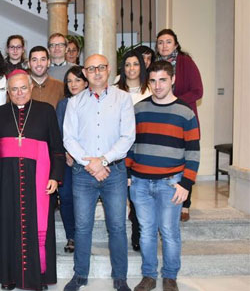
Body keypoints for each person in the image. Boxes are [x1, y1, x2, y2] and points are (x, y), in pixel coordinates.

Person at [0, 69, 64, 291]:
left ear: (31, 88)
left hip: (37, 181)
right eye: (14, 89)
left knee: (36, 226)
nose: (19, 93)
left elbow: (57, 149)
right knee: (7, 226)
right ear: (7, 92)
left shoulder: (46, 111)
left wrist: (55, 178)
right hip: (4, 181)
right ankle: (8, 276)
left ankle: (38, 276)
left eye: (23, 88)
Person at [62, 54, 135, 291]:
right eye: (91, 68)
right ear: (84, 72)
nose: (96, 72)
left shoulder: (123, 99)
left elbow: (128, 136)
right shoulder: (75, 102)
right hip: (83, 174)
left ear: (109, 70)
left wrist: (103, 160)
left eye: (101, 67)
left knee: (117, 226)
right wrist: (91, 164)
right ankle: (80, 275)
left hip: (114, 172)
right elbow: (69, 139)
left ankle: (120, 277)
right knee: (82, 227)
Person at [127, 61, 200, 291]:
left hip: (171, 183)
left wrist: (186, 184)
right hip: (139, 182)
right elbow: (130, 144)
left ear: (173, 79)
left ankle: (170, 276)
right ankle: (149, 275)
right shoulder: (138, 109)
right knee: (147, 232)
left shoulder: (186, 112)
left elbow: (193, 151)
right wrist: (128, 173)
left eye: (163, 80)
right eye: (153, 80)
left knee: (169, 232)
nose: (158, 86)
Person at [156, 28, 203, 222]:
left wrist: (175, 102)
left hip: (183, 120)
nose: (164, 45)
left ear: (175, 44)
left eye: (168, 42)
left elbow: (197, 91)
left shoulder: (186, 62)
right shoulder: (156, 65)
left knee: (185, 161)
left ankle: (185, 203)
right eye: (160, 42)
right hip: (161, 122)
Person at [117, 50, 152, 252]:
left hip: (143, 147)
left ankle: (138, 233)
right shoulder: (115, 89)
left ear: (142, 66)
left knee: (139, 194)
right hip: (120, 149)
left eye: (135, 64)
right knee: (126, 192)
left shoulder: (149, 90)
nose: (131, 68)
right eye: (128, 64)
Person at [55, 66, 89, 254]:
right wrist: (67, 153)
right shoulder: (63, 104)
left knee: (84, 200)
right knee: (66, 197)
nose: (73, 84)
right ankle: (72, 237)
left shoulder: (94, 103)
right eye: (69, 81)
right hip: (67, 160)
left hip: (89, 161)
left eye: (77, 80)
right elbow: (59, 132)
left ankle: (83, 237)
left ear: (86, 82)